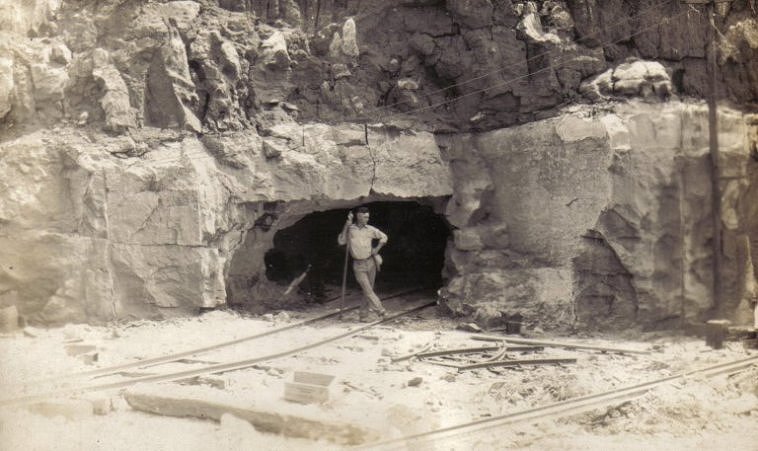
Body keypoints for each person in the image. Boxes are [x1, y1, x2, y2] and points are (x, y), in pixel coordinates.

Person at [338, 206, 388, 321]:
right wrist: (347, 225)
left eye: (368, 217)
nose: (367, 219)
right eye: (365, 217)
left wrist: (377, 248)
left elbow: (384, 237)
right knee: (367, 290)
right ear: (358, 216)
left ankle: (363, 316)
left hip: (371, 262)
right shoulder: (351, 229)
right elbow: (341, 241)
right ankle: (380, 310)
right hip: (358, 265)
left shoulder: (370, 229)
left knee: (368, 290)